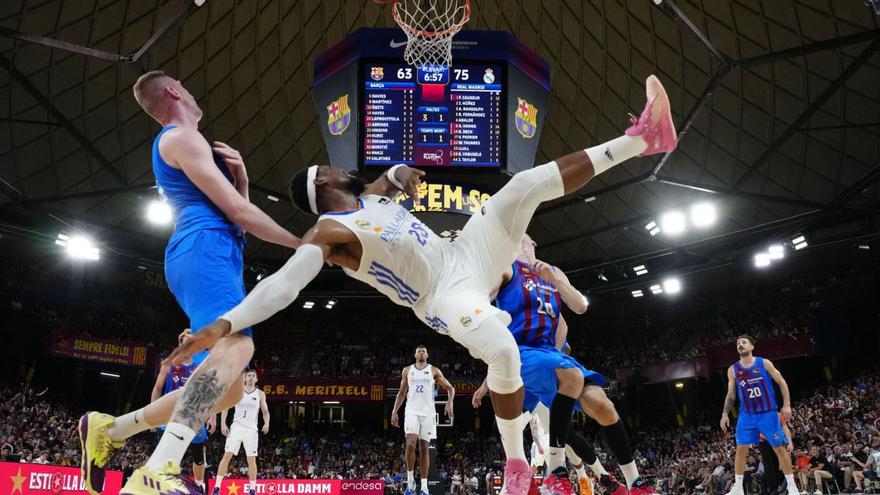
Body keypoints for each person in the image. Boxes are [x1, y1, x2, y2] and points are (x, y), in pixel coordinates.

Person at [166, 75, 677, 495]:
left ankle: (642, 139)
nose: (341, 165)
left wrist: (403, 171)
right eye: (330, 166)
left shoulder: (368, 193)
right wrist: (226, 324)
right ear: (322, 184)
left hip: (465, 254)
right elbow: (283, 286)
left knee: (524, 186)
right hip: (441, 296)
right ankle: (518, 464)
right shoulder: (329, 232)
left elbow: (393, 175)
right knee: (503, 351)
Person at [79, 70, 300, 495]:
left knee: (233, 388)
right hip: (204, 248)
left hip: (210, 250)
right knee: (237, 345)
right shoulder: (180, 136)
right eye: (188, 85)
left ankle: (111, 428)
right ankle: (157, 468)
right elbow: (237, 214)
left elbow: (234, 211)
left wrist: (243, 184)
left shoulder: (182, 142)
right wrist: (304, 243)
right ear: (175, 91)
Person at [474, 235, 652, 495]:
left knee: (602, 404)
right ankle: (555, 470)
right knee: (566, 383)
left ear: (533, 242)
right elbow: (480, 300)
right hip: (520, 351)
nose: (514, 237)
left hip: (548, 355)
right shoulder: (506, 267)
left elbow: (579, 307)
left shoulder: (553, 272)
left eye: (521, 235)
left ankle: (635, 483)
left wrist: (556, 280)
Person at [720, 336, 800, 495]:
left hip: (768, 413)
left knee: (779, 449)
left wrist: (787, 404)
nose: (740, 345)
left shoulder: (764, 363)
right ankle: (738, 487)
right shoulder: (733, 369)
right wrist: (724, 413)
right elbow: (731, 395)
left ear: (751, 346)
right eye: (738, 344)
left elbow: (782, 382)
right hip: (747, 415)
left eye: (743, 342)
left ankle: (792, 487)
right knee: (741, 449)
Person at [149, 330, 216, 493]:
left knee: (199, 458)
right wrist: (152, 414)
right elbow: (157, 388)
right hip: (170, 415)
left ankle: (199, 485)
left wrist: (213, 416)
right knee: (165, 454)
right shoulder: (169, 364)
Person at [390, 345, 455, 495]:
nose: (421, 353)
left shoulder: (434, 370)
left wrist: (449, 402)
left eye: (423, 351)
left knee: (424, 448)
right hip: (412, 411)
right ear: (415, 354)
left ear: (427, 355)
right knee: (410, 443)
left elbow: (451, 388)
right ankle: (411, 481)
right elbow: (401, 393)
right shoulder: (407, 370)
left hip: (428, 413)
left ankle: (424, 487)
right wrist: (394, 411)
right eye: (418, 351)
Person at [212, 371, 269, 495]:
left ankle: (252, 490)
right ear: (244, 378)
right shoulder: (236, 391)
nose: (250, 378)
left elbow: (265, 411)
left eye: (253, 376)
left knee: (251, 459)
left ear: (256, 379)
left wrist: (267, 423)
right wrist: (223, 423)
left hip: (251, 430)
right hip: (236, 428)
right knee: (227, 456)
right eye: (248, 376)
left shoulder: (260, 394)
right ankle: (217, 487)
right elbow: (225, 407)